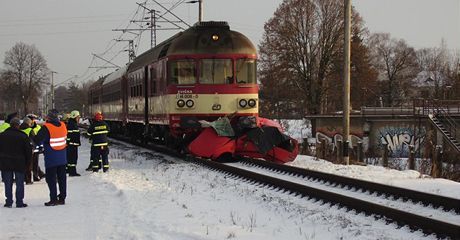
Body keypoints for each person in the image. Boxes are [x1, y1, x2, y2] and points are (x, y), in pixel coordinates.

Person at [35, 109, 68, 206]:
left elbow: (37, 140)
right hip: (62, 157)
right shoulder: (63, 125)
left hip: (51, 158)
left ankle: (53, 199)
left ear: (48, 117)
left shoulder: (46, 128)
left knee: (51, 179)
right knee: (62, 179)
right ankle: (62, 198)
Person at [0, 117, 32, 208]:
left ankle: (9, 201)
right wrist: (28, 163)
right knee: (19, 183)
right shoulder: (23, 136)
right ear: (18, 125)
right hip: (19, 162)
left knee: (7, 182)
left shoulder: (2, 135)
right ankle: (19, 202)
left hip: (5, 162)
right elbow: (28, 151)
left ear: (10, 124)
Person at [27, 114, 46, 181]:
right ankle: (37, 175)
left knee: (35, 162)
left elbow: (41, 137)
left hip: (37, 147)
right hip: (30, 147)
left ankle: (36, 175)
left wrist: (41, 146)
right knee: (31, 163)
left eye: (33, 119)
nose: (32, 121)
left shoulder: (37, 127)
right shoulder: (27, 127)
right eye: (31, 119)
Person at [20, 117, 36, 184]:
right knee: (29, 164)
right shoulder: (30, 130)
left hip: (19, 149)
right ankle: (28, 180)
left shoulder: (19, 129)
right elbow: (33, 140)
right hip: (28, 149)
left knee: (21, 164)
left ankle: (21, 178)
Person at [66, 110, 81, 176]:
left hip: (72, 144)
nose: (79, 119)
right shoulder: (72, 124)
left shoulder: (72, 123)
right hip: (72, 144)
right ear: (74, 117)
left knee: (70, 158)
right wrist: (69, 142)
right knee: (73, 158)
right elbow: (69, 135)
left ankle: (69, 170)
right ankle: (72, 172)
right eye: (78, 117)